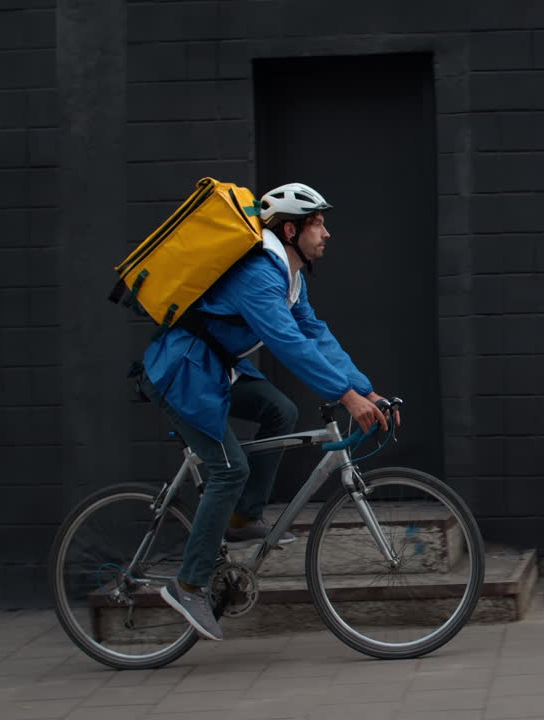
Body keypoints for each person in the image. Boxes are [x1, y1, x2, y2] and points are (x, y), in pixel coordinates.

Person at [138, 182, 395, 642]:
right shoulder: (259, 274)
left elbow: (316, 334)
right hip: (183, 375)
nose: (327, 233)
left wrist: (365, 391)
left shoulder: (290, 275)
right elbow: (288, 344)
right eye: (318, 223)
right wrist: (345, 397)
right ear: (291, 229)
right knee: (229, 469)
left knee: (281, 410)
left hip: (213, 369)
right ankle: (189, 583)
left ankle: (240, 519)